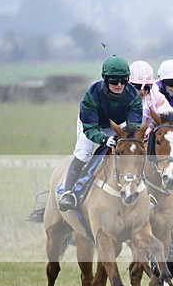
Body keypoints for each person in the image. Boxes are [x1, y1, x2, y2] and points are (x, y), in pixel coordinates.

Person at [58, 55, 143, 211]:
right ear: (105, 79)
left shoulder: (133, 96)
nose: (119, 85)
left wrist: (124, 139)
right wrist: (104, 140)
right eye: (114, 81)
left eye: (123, 81)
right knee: (84, 153)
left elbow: (134, 126)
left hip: (118, 124)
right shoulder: (92, 94)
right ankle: (68, 191)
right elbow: (90, 127)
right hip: (92, 123)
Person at [129, 60, 173, 135]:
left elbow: (169, 121)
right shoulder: (123, 95)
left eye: (146, 87)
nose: (142, 91)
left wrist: (151, 130)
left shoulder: (157, 97)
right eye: (137, 87)